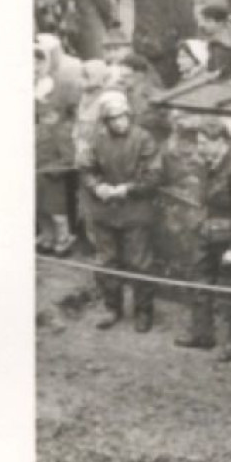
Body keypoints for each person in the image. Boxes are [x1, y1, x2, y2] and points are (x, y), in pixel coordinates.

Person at [174, 120, 231, 362]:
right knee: (199, 281)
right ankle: (202, 334)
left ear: (219, 142)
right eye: (198, 143)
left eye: (203, 143)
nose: (199, 148)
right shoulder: (209, 164)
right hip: (206, 232)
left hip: (229, 238)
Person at [78, 91, 162, 332]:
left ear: (129, 115)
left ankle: (144, 311)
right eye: (113, 119)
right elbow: (86, 169)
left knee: (140, 263)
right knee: (107, 262)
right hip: (105, 212)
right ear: (106, 121)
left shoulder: (143, 139)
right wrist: (98, 186)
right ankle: (111, 307)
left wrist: (127, 189)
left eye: (122, 116)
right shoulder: (97, 140)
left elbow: (154, 176)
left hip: (135, 211)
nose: (119, 122)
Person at [35, 98, 76, 257]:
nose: (46, 119)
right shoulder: (36, 131)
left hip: (53, 179)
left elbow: (68, 158)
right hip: (38, 178)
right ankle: (47, 238)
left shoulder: (61, 133)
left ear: (58, 116)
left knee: (57, 213)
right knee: (41, 211)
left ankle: (63, 240)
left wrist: (53, 170)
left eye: (50, 115)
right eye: (43, 116)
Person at [198, 5, 231, 77]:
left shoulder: (218, 45)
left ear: (220, 23)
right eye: (203, 21)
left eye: (208, 21)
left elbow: (217, 73)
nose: (202, 24)